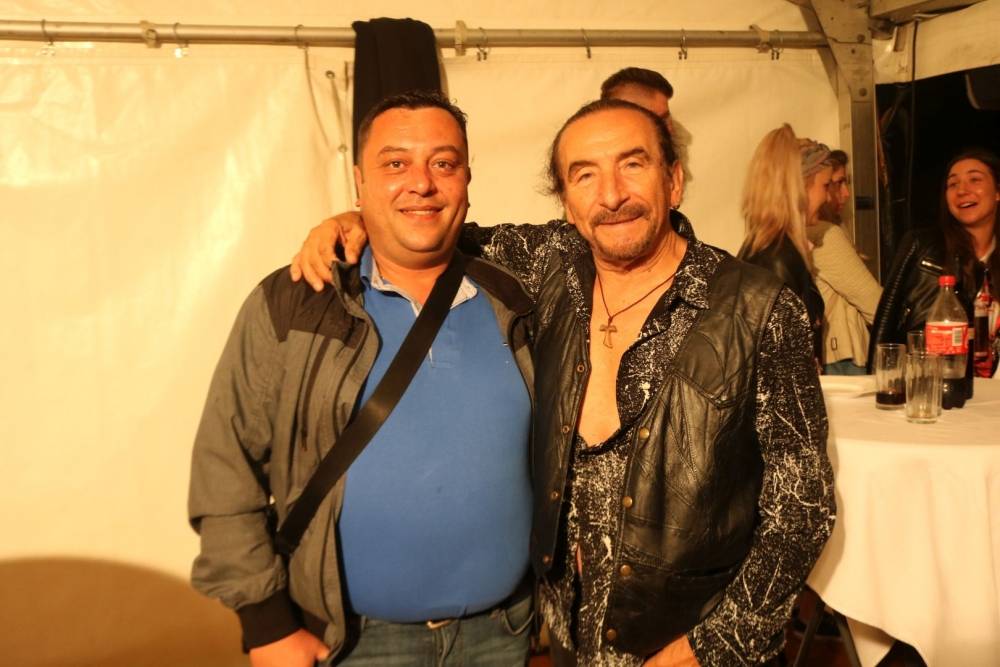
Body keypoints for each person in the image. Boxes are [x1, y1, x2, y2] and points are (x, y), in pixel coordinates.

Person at [293, 99, 835, 666]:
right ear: (567, 203)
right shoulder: (547, 266)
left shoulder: (759, 309)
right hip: (572, 638)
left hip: (694, 644)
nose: (612, 195)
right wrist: (351, 222)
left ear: (673, 180)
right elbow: (428, 225)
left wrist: (708, 647)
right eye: (585, 175)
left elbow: (802, 507)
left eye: (633, 164)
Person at [188, 91, 536, 667]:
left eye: (443, 163)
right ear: (359, 182)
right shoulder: (297, 303)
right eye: (395, 163)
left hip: (503, 634)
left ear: (467, 180)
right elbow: (226, 468)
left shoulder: (518, 299)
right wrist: (266, 625)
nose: (421, 183)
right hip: (353, 643)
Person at [870, 147, 1000, 372]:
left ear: (997, 191)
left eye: (974, 180)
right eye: (953, 184)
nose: (962, 190)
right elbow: (885, 323)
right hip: (934, 383)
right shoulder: (922, 246)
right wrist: (876, 380)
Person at [737, 124, 830, 363]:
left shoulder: (770, 248)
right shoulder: (776, 258)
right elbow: (776, 359)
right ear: (801, 187)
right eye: (825, 186)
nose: (828, 197)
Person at [808, 150, 882, 374]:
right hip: (841, 358)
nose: (847, 193)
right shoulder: (825, 233)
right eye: (837, 183)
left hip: (831, 357)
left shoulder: (807, 232)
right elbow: (875, 303)